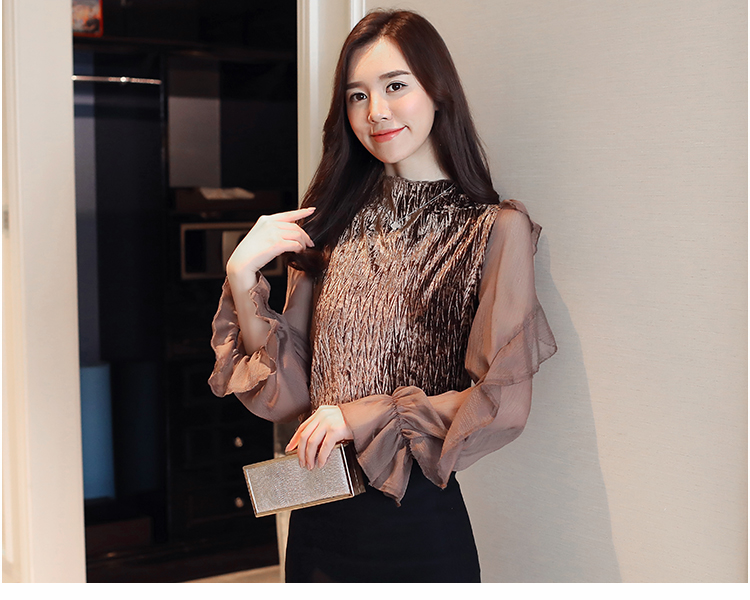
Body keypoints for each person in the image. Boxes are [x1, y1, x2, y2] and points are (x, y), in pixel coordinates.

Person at [209, 9, 556, 583]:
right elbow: (287, 394)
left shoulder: (493, 230)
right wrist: (243, 277)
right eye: (357, 95)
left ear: (437, 91)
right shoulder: (331, 225)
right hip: (319, 519)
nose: (376, 111)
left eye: (395, 86)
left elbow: (502, 405)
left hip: (417, 526)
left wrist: (356, 417)